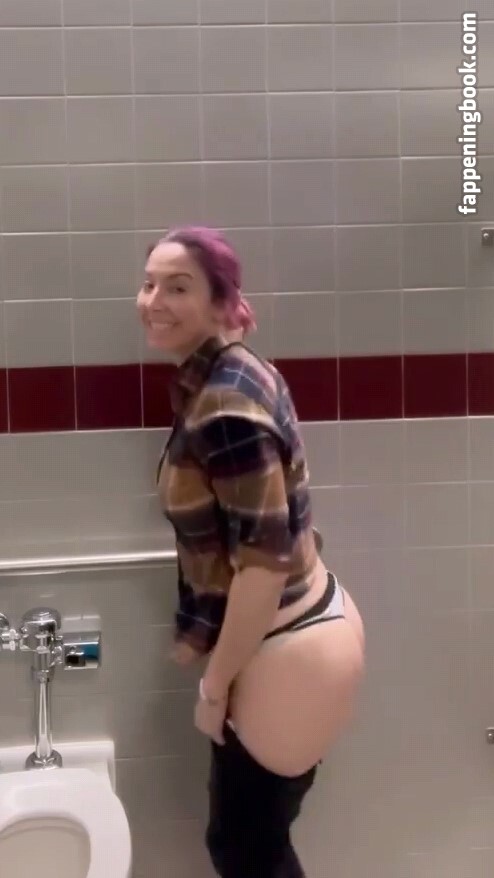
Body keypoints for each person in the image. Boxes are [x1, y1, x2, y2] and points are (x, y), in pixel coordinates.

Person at [136, 225, 365, 878]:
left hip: (288, 641)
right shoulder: (227, 372)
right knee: (251, 844)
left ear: (219, 301)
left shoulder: (227, 405)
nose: (154, 300)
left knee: (246, 852)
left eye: (178, 287)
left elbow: (262, 569)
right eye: (148, 283)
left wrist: (214, 687)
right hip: (296, 631)